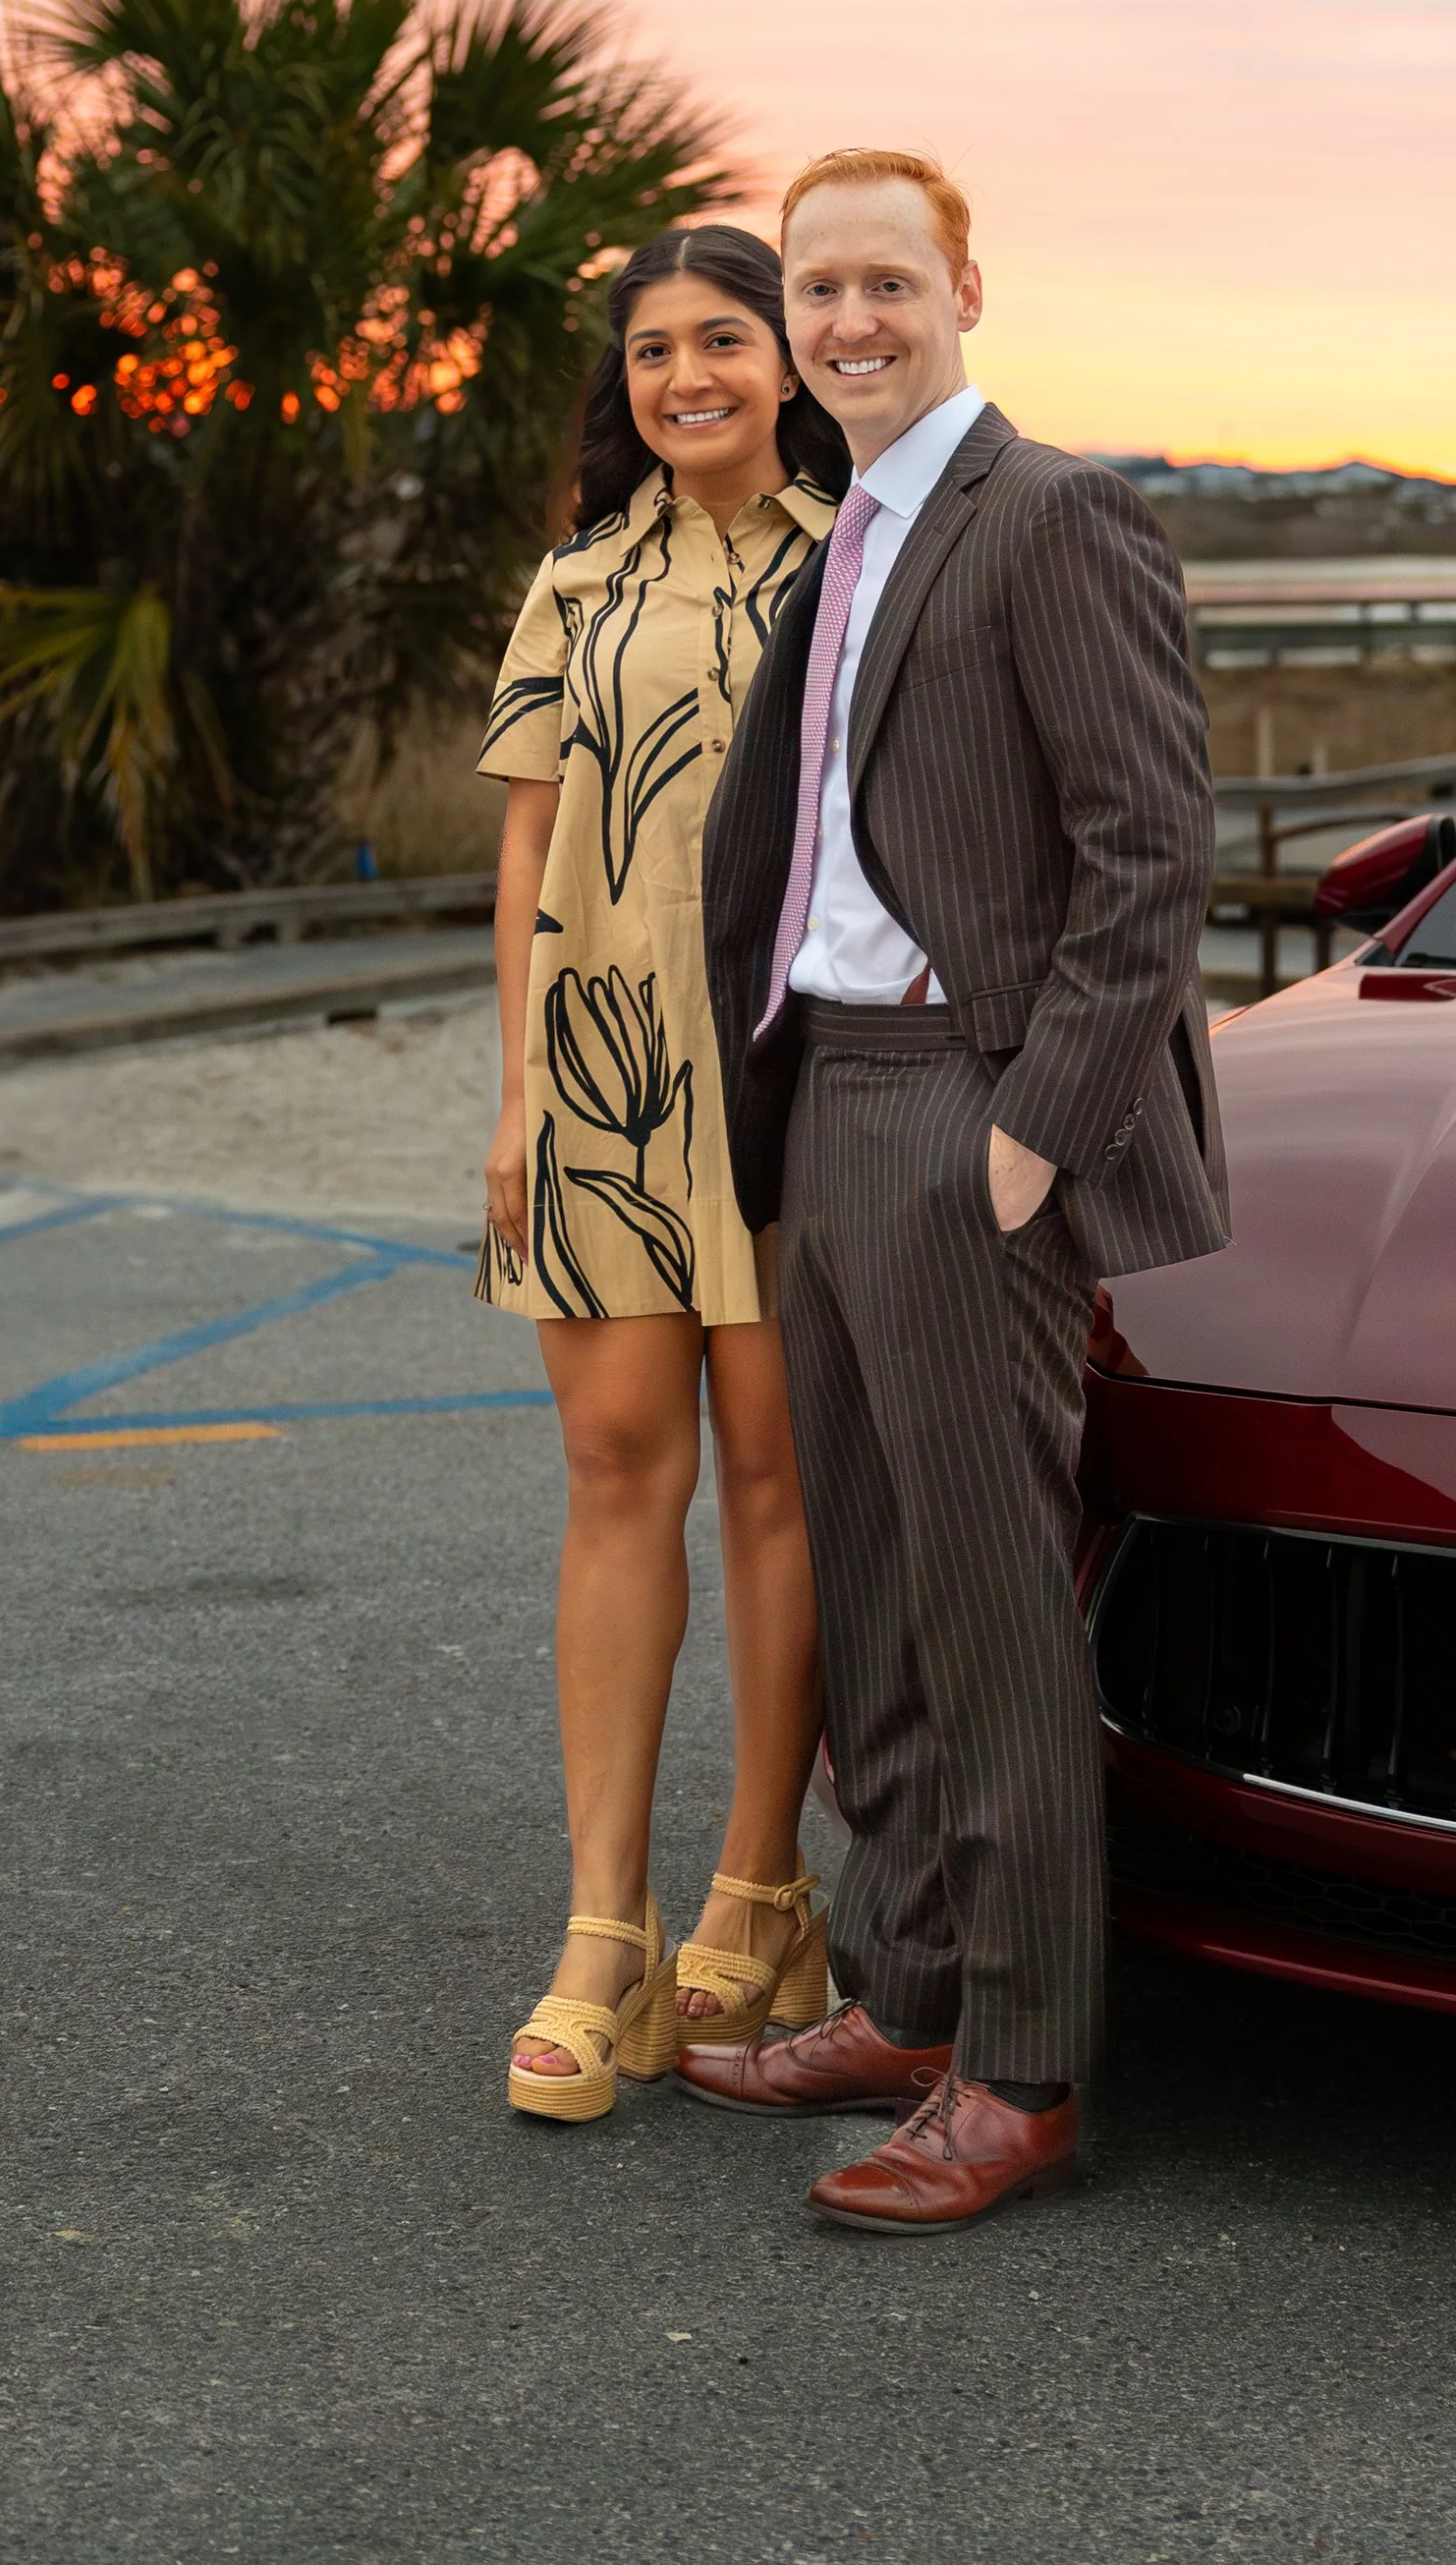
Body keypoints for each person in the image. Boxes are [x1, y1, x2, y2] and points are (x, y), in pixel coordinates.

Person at [685, 149, 1228, 2231]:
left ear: (962, 288)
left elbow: (1145, 855)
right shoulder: (851, 534)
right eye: (815, 288)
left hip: (959, 1117)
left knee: (994, 1607)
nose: (846, 320)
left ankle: (1019, 2064)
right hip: (824, 1095)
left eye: (884, 282)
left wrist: (1029, 1135)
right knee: (875, 1587)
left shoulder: (1048, 513)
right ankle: (903, 1986)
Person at [477, 224, 847, 2124]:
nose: (685, 374)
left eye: (723, 339)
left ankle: (761, 1891)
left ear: (789, 360)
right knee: (619, 1472)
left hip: (793, 1084)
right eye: (651, 350)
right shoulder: (574, 583)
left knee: (779, 1482)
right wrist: (525, 1091)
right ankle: (601, 1937)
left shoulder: (862, 568)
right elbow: (528, 855)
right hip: (608, 1092)